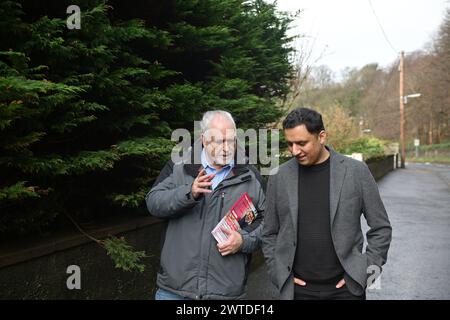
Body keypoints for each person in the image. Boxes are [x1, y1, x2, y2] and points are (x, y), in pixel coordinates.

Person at [262, 107, 392, 300]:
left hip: (347, 292)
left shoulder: (356, 172)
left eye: (301, 143)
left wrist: (363, 273)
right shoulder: (279, 177)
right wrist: (279, 274)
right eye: (290, 144)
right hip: (296, 292)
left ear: (321, 136)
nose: (294, 151)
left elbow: (381, 228)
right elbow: (269, 233)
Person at [146, 110, 265, 300]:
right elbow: (153, 203)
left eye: (231, 140)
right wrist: (189, 193)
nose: (226, 148)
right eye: (219, 141)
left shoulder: (250, 175)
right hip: (174, 291)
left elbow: (268, 223)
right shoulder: (179, 166)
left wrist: (244, 241)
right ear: (203, 139)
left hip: (225, 293)